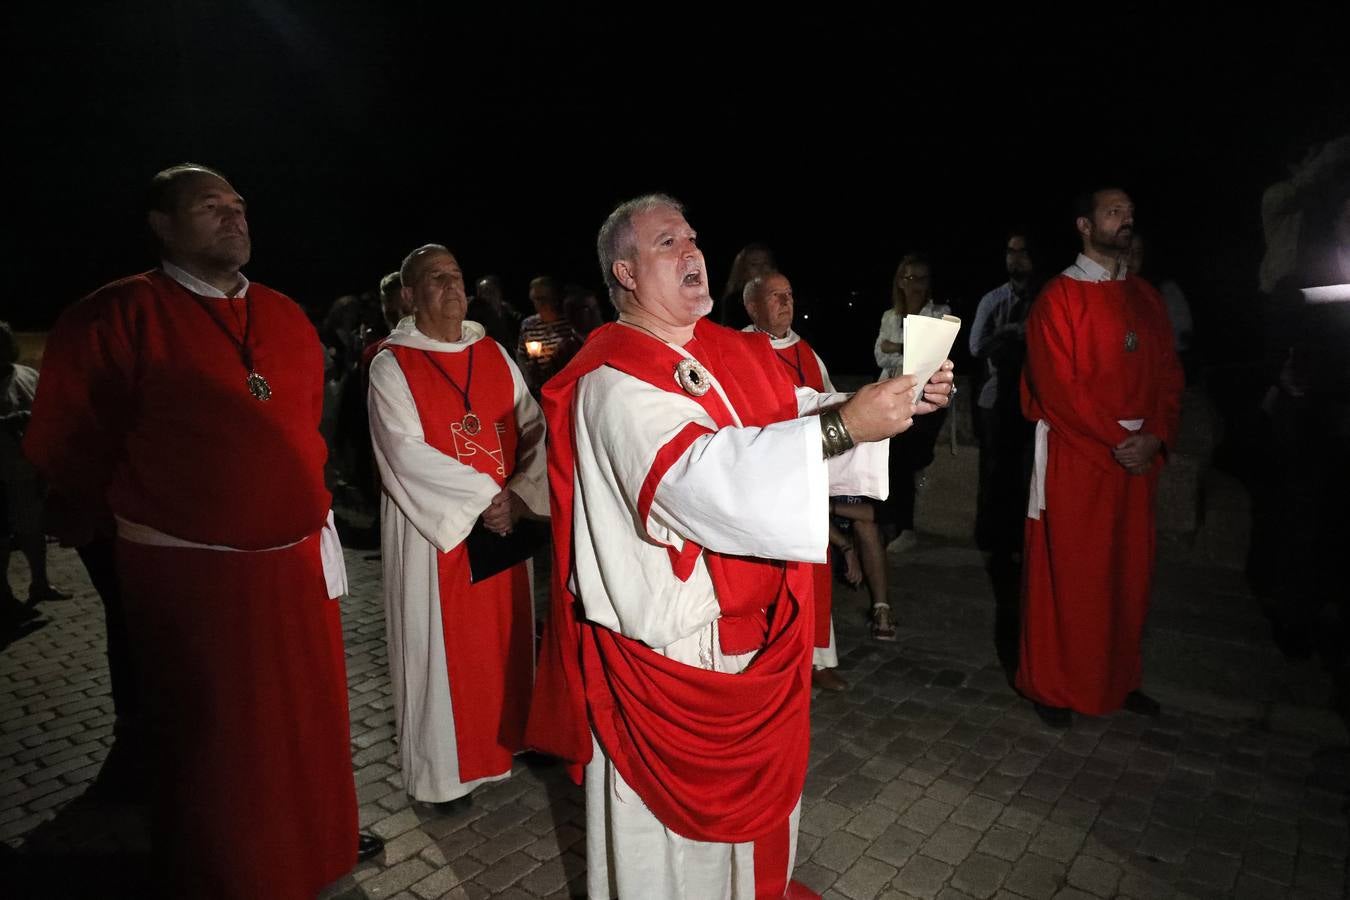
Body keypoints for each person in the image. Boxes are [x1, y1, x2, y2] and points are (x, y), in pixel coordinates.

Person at [527, 193, 953, 899]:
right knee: (668, 863)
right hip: (670, 655)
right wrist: (844, 426)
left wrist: (890, 401)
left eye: (693, 237)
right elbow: (699, 477)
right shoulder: (611, 377)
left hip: (746, 640)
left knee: (745, 854)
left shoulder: (724, 353)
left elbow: (796, 415)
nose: (693, 251)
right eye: (668, 243)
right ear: (626, 273)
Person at [22, 163, 375, 897]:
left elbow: (301, 426)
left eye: (239, 204)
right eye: (210, 205)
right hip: (192, 575)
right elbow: (69, 441)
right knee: (217, 741)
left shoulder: (282, 313)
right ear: (161, 224)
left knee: (305, 724)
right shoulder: (114, 315)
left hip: (296, 566)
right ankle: (234, 871)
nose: (233, 216)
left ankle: (319, 843)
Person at [368, 244, 547, 810]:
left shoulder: (493, 351)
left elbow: (533, 426)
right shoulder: (391, 364)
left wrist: (518, 495)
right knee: (440, 651)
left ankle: (513, 736)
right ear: (408, 295)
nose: (451, 287)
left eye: (457, 276)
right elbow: (402, 451)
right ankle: (445, 775)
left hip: (503, 526)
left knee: (507, 636)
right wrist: (485, 498)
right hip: (436, 534)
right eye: (435, 278)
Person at [1017, 187, 1184, 729]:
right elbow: (1059, 390)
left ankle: (1118, 678)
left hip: (1136, 460)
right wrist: (1121, 440)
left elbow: (1167, 376)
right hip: (1080, 455)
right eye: (1115, 212)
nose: (1127, 220)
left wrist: (1155, 435)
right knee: (1072, 575)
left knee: (1127, 574)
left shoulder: (1147, 299)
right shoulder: (1058, 299)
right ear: (1085, 225)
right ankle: (1055, 684)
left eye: (1131, 213)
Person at [741, 271, 858, 691]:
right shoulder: (737, 349)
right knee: (765, 576)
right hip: (762, 479)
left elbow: (830, 401)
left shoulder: (806, 351)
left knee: (812, 570)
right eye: (774, 296)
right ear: (752, 306)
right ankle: (768, 662)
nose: (785, 303)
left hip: (803, 476)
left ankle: (819, 659)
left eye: (788, 295)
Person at [873, 254, 952, 554]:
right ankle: (892, 525)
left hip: (926, 400)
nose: (914, 284)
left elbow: (929, 358)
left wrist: (899, 348)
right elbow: (881, 357)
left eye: (920, 278)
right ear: (899, 281)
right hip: (892, 397)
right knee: (891, 460)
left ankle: (903, 527)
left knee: (907, 459)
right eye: (908, 277)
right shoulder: (889, 317)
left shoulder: (940, 314)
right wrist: (910, 349)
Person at [969, 231, 1037, 559]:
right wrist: (1006, 333)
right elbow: (975, 346)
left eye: (1021, 252)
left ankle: (1022, 540)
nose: (1015, 259)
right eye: (1010, 252)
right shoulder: (993, 300)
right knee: (995, 471)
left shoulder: (1045, 299)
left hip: (1034, 398)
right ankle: (991, 539)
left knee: (1027, 472)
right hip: (996, 399)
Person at [1, 322, 66, 619]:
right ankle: (4, 596)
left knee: (33, 531)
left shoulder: (26, 375)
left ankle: (40, 583)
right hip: (3, 472)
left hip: (28, 468)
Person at [515, 275, 579, 393]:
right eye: (536, 299)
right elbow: (521, 354)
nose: (540, 303)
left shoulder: (568, 322)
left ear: (554, 298)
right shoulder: (528, 324)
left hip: (567, 386)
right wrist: (528, 373)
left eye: (543, 298)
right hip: (539, 388)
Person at [718, 241, 776, 329]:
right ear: (744, 270)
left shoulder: (782, 295)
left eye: (765, 263)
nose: (761, 268)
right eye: (754, 264)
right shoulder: (734, 301)